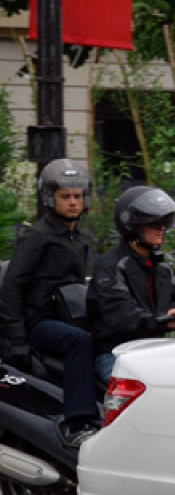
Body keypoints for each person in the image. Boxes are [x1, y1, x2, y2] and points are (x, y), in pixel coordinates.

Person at [0, 159, 99, 446]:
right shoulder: (37, 236)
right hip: (38, 321)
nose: (72, 202)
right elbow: (12, 287)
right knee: (78, 341)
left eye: (77, 196)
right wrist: (16, 338)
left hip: (64, 317)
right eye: (65, 196)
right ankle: (78, 423)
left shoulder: (77, 238)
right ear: (49, 198)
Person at [87, 185, 175, 384]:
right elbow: (123, 317)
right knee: (154, 391)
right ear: (132, 225)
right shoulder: (110, 266)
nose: (162, 228)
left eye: (165, 221)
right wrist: (165, 320)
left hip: (151, 352)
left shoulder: (162, 268)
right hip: (117, 354)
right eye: (155, 222)